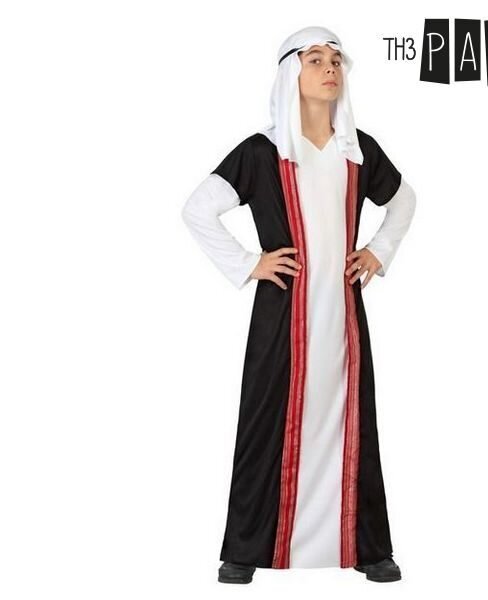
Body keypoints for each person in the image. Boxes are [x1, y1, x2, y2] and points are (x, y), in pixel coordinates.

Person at [181, 25, 416, 584]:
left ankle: (367, 547)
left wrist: (378, 251)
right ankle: (245, 549)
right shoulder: (262, 152)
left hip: (343, 315)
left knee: (354, 421)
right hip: (282, 315)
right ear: (292, 73)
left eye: (336, 60)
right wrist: (249, 263)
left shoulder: (358, 150)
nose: (330, 68)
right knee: (265, 421)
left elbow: (404, 200)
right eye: (315, 59)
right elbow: (197, 209)